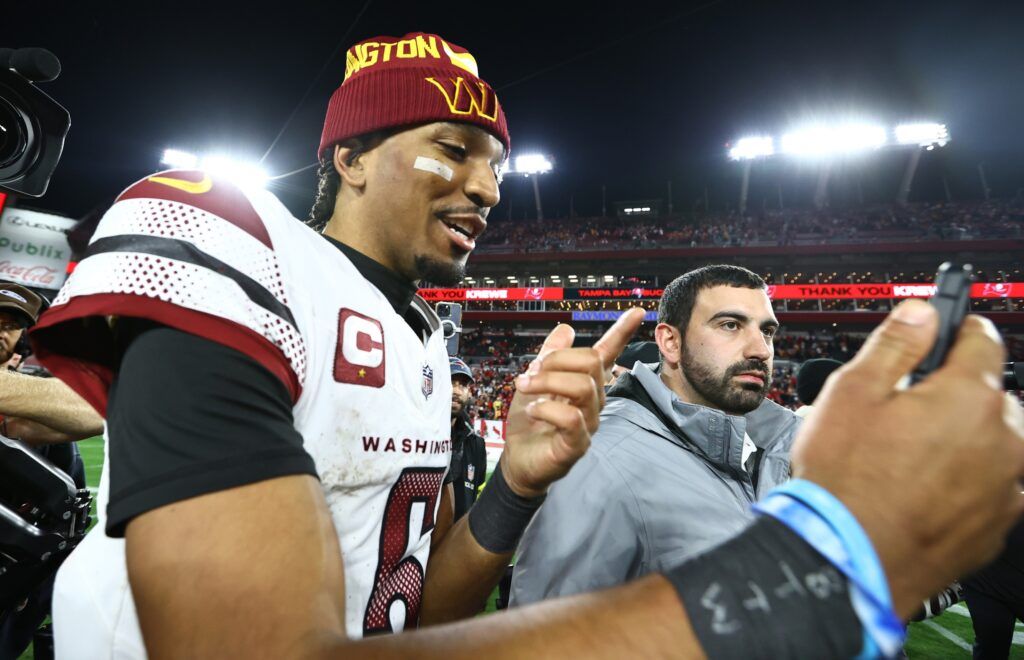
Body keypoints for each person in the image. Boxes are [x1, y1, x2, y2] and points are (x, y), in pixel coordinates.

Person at [31, 30, 1024, 658]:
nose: (488, 186)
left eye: (498, 162)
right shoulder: (225, 234)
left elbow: (415, 614)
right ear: (347, 158)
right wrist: (824, 572)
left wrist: (519, 485)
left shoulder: (424, 339)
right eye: (450, 149)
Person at [512, 265, 802, 605]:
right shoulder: (599, 462)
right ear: (670, 342)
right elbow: (549, 638)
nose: (761, 350)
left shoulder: (781, 442)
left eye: (767, 331)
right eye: (730, 325)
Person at [448, 356, 487, 521]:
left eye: (463, 385)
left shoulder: (476, 444)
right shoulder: (416, 436)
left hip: (457, 542)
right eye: (451, 382)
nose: (456, 391)